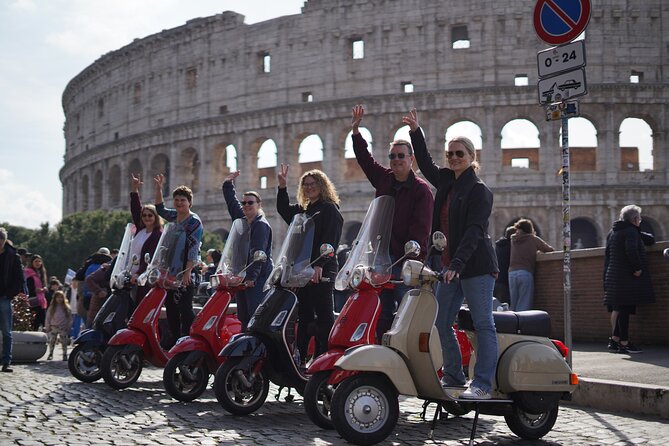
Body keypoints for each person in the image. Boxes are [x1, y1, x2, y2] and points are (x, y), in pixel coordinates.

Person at [404, 108, 499, 400]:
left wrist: (457, 263)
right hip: (450, 268)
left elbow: (474, 231)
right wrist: (416, 133)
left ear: (472, 156)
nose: (454, 158)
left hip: (476, 267)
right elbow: (426, 164)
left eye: (460, 153)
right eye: (450, 154)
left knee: (483, 323)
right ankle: (455, 375)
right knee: (442, 322)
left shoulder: (479, 190)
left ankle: (483, 383)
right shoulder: (447, 181)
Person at [350, 104, 434, 340]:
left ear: (411, 159)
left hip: (405, 262)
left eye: (401, 156)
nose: (396, 160)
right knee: (382, 313)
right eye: (392, 156)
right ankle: (381, 352)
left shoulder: (421, 191)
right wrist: (356, 133)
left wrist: (411, 260)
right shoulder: (384, 179)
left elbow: (421, 230)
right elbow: (365, 160)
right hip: (381, 261)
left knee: (405, 313)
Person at [276, 164, 343, 361]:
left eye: (313, 184)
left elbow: (331, 239)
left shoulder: (329, 209)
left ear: (322, 186)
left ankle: (324, 356)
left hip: (322, 269)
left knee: (323, 314)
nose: (309, 188)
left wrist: (320, 265)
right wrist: (282, 187)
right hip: (303, 270)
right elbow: (283, 210)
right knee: (304, 315)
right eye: (305, 185)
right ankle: (302, 355)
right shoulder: (304, 210)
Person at [154, 174, 204, 346]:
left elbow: (193, 248)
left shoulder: (194, 222)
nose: (179, 203)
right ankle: (175, 339)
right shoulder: (174, 216)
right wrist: (159, 189)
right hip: (172, 269)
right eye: (176, 200)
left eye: (182, 200)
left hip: (187, 269)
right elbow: (160, 209)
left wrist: (187, 273)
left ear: (189, 202)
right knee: (171, 307)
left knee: (185, 306)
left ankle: (190, 338)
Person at [222, 171, 274, 331]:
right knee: (243, 316)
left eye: (250, 203)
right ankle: (245, 345)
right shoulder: (243, 221)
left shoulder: (260, 225)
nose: (246, 206)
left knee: (254, 314)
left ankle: (258, 345)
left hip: (257, 277)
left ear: (259, 205)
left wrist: (251, 277)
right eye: (244, 203)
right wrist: (227, 185)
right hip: (242, 275)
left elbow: (259, 254)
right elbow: (232, 204)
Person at [604, 205, 655, 354]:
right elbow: (631, 249)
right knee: (624, 310)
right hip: (626, 276)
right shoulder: (631, 231)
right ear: (634, 219)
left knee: (620, 309)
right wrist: (637, 268)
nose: (640, 221)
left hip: (614, 275)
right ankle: (625, 343)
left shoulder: (614, 231)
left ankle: (614, 340)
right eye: (639, 218)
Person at [130, 173, 163, 303]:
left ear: (155, 217)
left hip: (144, 277)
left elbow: (149, 260)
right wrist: (134, 190)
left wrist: (139, 273)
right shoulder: (141, 230)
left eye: (150, 215)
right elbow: (135, 209)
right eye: (144, 216)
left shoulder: (157, 235)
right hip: (130, 274)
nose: (147, 218)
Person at [508, 219, 554, 311]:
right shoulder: (533, 239)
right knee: (524, 305)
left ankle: (512, 324)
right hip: (525, 272)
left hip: (512, 274)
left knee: (513, 304)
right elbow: (549, 249)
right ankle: (522, 325)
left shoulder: (513, 239)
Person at [0, 228, 27, 372]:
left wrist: (11, 293)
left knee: (6, 331)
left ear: (4, 241)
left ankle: (6, 361)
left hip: (5, 297)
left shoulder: (12, 256)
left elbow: (20, 279)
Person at [44, 290, 73, 361]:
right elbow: (48, 317)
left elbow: (70, 318)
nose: (59, 299)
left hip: (63, 327)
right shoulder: (52, 308)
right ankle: (50, 353)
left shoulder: (66, 308)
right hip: (53, 326)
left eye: (61, 297)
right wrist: (48, 326)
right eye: (58, 297)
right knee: (52, 341)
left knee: (64, 342)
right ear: (55, 298)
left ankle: (65, 354)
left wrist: (68, 326)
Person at [24, 254, 49, 331]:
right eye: (36, 261)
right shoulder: (27, 272)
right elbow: (27, 287)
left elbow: (43, 285)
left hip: (41, 301)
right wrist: (36, 290)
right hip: (32, 300)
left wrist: (44, 289)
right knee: (34, 322)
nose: (38, 263)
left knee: (42, 321)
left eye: (39, 261)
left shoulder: (41, 273)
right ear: (32, 262)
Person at [493, 226, 515, 304]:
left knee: (495, 305)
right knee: (504, 306)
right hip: (505, 280)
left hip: (496, 279)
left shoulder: (499, 245)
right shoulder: (511, 246)